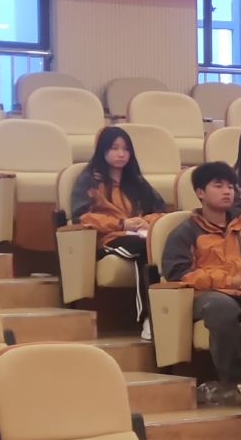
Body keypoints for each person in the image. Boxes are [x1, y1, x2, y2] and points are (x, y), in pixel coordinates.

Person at [159, 162, 241, 408]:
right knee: (222, 308)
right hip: (206, 294)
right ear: (200, 192)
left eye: (230, 186)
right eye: (218, 186)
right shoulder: (185, 232)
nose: (227, 191)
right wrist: (229, 281)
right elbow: (179, 274)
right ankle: (238, 383)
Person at [70, 126, 169, 328]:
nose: (121, 154)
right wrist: (121, 223)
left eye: (126, 149)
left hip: (138, 233)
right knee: (144, 248)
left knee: (161, 244)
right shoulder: (89, 180)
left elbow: (162, 212)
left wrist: (146, 221)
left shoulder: (137, 181)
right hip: (108, 238)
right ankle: (149, 318)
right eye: (115, 148)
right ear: (103, 150)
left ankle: (168, 312)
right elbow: (82, 217)